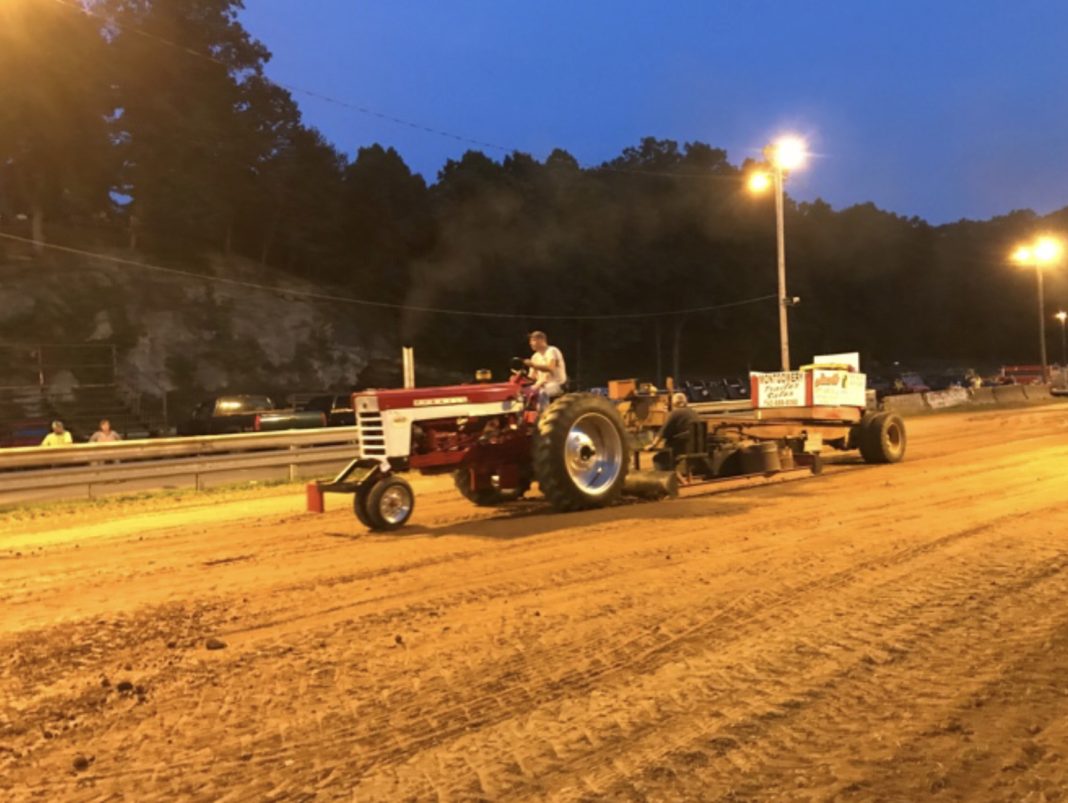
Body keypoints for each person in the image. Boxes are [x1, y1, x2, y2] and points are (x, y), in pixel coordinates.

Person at [523, 330, 567, 411]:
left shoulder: (552, 351)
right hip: (540, 385)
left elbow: (550, 368)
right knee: (520, 394)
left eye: (533, 340)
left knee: (543, 393)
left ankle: (543, 416)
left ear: (542, 340)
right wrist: (520, 376)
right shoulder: (535, 357)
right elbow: (531, 378)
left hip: (557, 384)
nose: (530, 343)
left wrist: (533, 365)